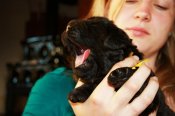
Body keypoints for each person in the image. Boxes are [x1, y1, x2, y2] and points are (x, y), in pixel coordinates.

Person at [23, 0, 175, 115]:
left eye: (161, 5)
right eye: (130, 0)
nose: (143, 13)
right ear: (106, 7)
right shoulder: (55, 87)